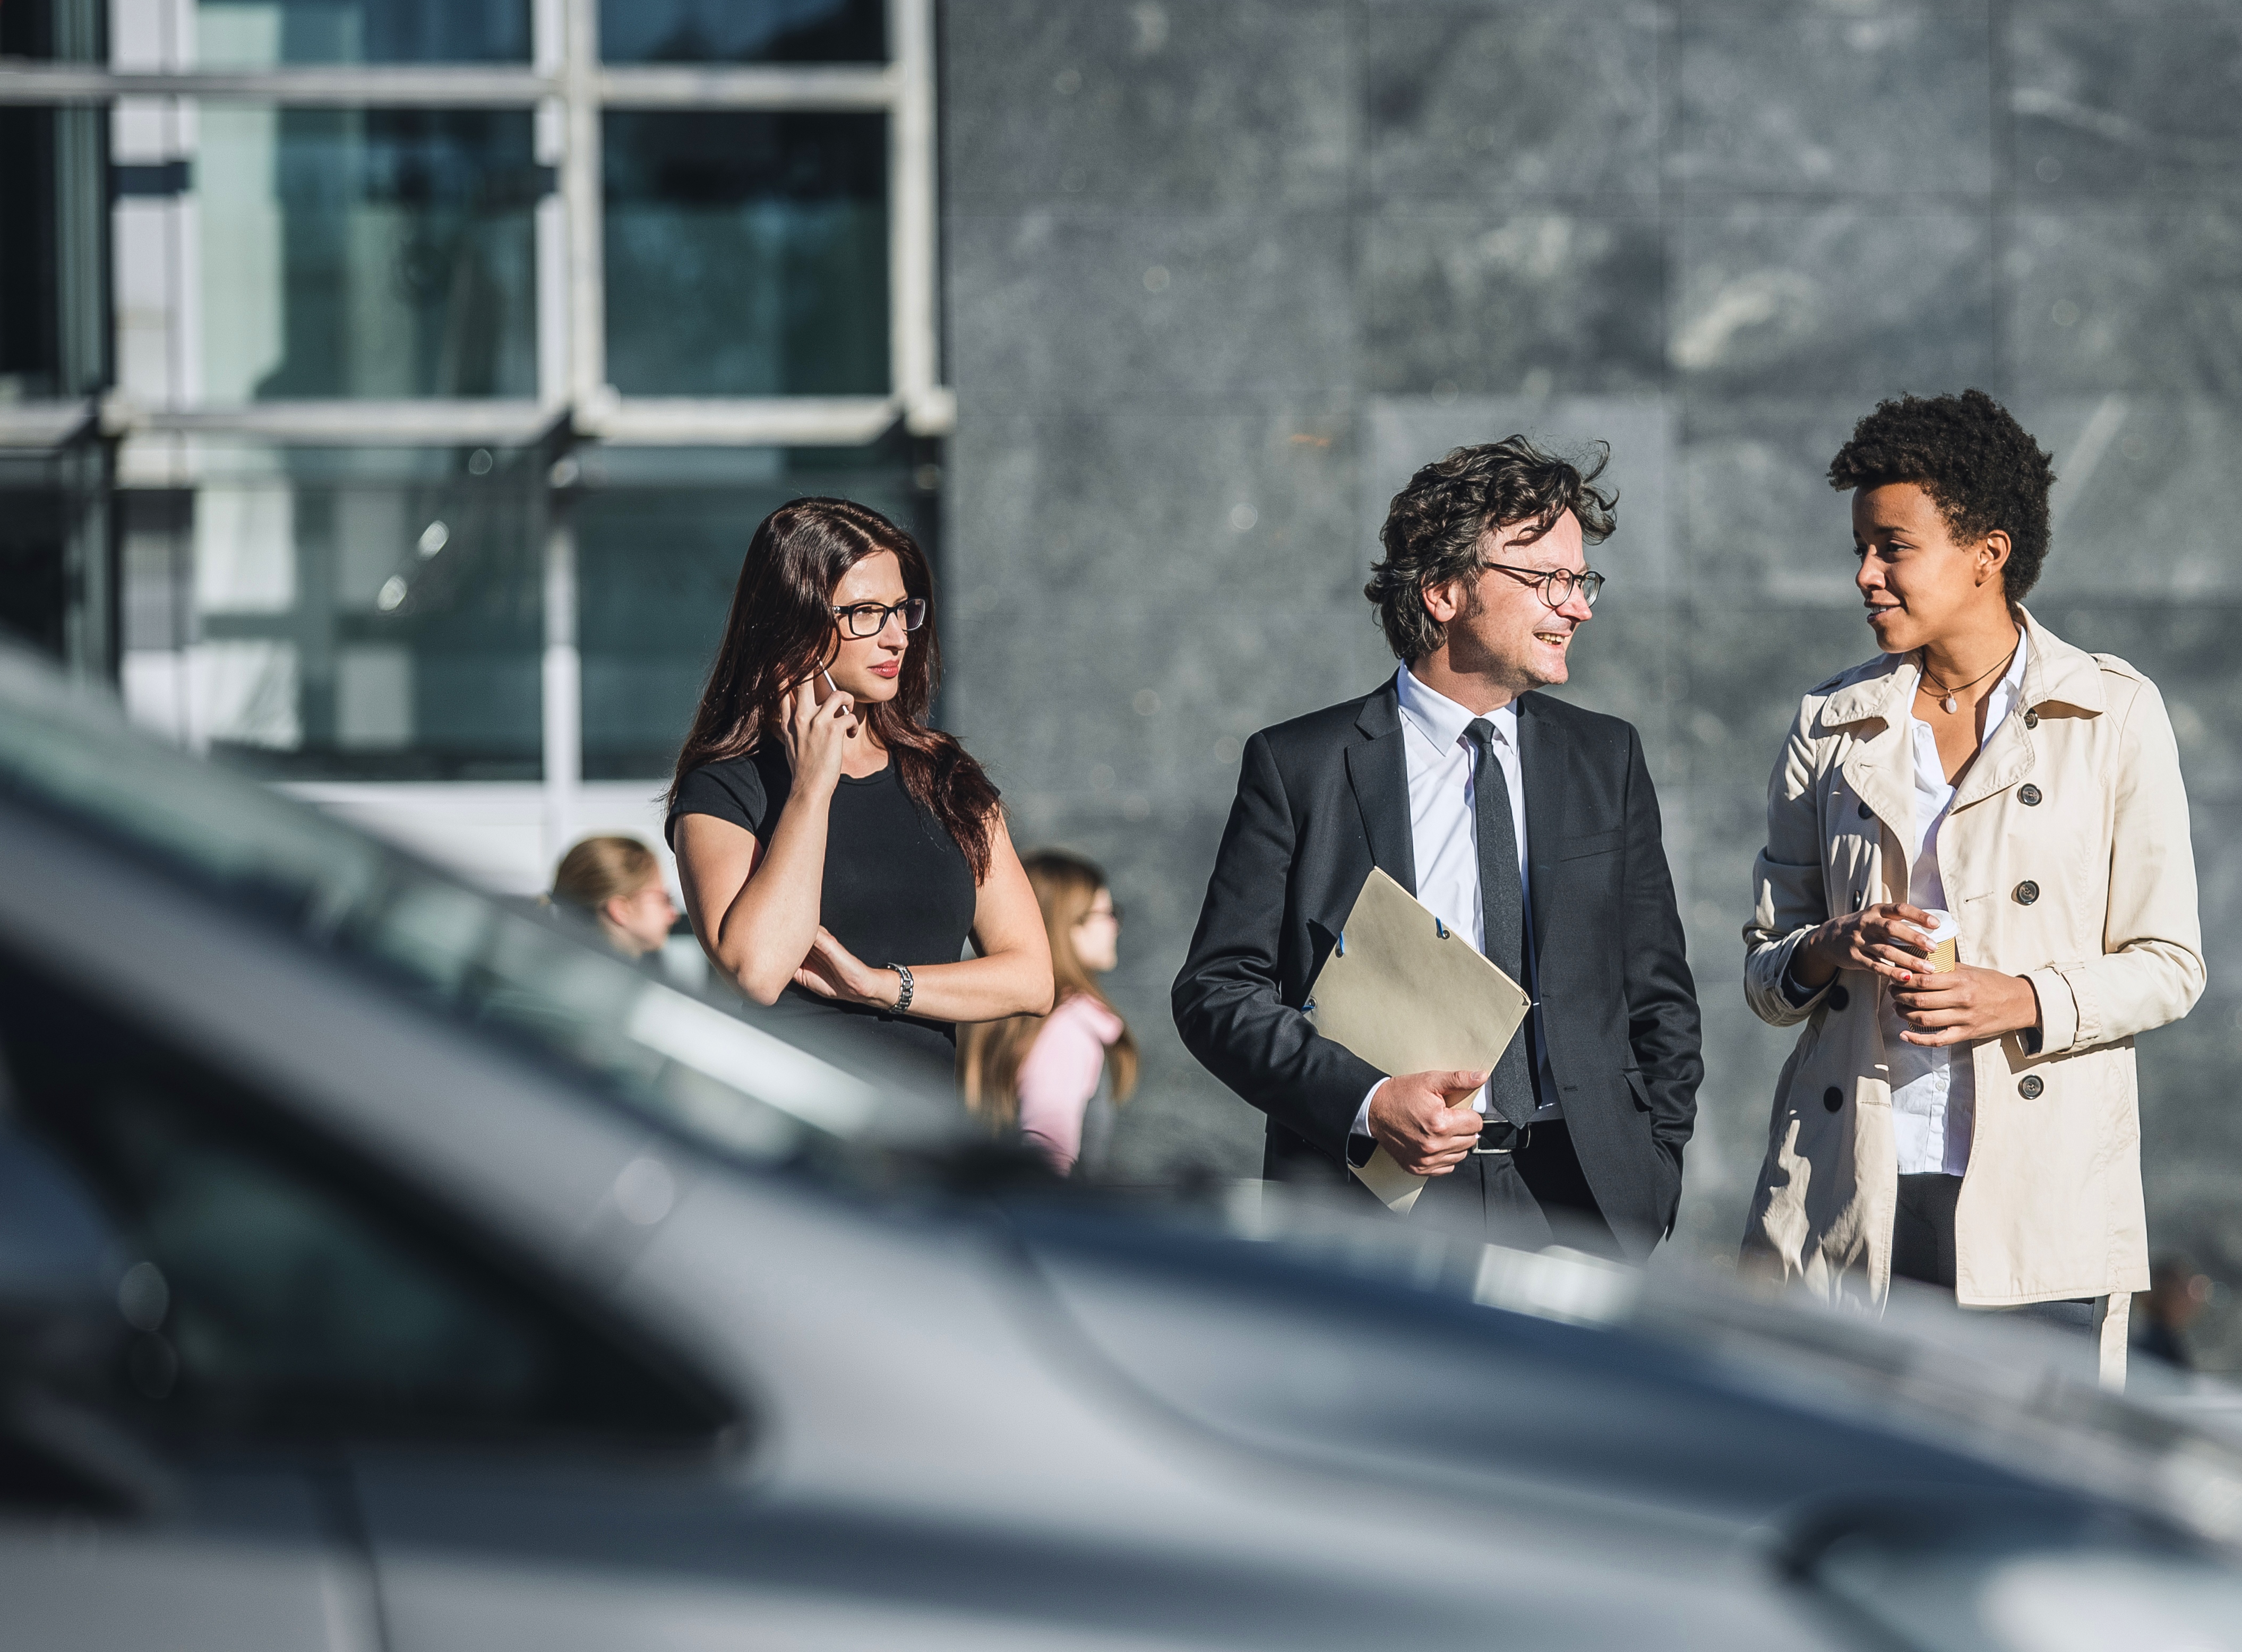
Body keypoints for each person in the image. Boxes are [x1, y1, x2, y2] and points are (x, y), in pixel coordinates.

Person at [1738, 389, 2203, 1376]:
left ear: (1986, 552)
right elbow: (1765, 971)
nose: (1864, 574)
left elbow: (2170, 964)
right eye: (1860, 547)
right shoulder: (1830, 722)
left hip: (2037, 1195)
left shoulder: (2108, 712)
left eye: (1892, 547)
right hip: (1848, 1183)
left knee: (2025, 1468)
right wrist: (1829, 945)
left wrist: (2022, 997)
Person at [1174, 436, 1703, 1259]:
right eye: (1548, 580)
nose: (1578, 607)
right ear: (1445, 590)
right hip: (1372, 1205)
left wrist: (1652, 1175)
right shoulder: (1301, 766)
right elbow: (1216, 992)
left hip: (1580, 1201)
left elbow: (1658, 994)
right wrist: (1367, 1101)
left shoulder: (1606, 758)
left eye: (1581, 581)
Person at [667, 497, 1051, 1083]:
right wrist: (811, 788)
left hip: (925, 1125)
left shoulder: (944, 777)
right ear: (795, 621)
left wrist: (881, 986)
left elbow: (1032, 978)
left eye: (901, 610)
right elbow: (757, 971)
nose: (897, 637)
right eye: (867, 613)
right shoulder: (727, 784)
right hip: (797, 1123)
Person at [966, 849, 1138, 1176]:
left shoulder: (1008, 1016)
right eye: (1107, 913)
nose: (1115, 926)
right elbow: (1048, 1156)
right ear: (1065, 924)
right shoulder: (1068, 1030)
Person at [547, 834, 680, 961]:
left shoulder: (561, 967)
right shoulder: (608, 975)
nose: (674, 915)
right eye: (664, 900)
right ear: (621, 910)